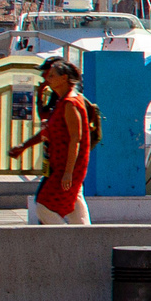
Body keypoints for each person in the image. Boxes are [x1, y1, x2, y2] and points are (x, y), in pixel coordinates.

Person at [19, 59, 92, 225]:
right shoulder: (61, 100)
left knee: (44, 206)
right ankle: (86, 240)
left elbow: (76, 138)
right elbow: (48, 126)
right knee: (74, 204)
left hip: (66, 165)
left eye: (51, 75)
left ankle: (64, 241)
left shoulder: (69, 103)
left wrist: (68, 171)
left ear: (64, 78)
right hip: (59, 162)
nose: (47, 78)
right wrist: (24, 146)